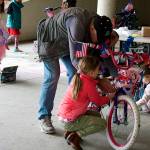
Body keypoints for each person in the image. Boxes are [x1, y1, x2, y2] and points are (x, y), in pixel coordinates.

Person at [37, 6, 118, 134]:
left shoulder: (98, 23)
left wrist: (115, 76)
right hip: (49, 41)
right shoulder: (77, 22)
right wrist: (97, 79)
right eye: (98, 37)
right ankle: (44, 116)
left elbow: (103, 54)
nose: (98, 41)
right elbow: (77, 60)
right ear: (92, 28)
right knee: (53, 76)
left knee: (76, 74)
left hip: (66, 44)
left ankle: (73, 114)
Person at [57, 56, 115, 150]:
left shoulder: (79, 77)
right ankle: (75, 137)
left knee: (96, 115)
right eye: (97, 70)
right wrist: (109, 97)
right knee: (102, 124)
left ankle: (69, 131)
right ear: (91, 72)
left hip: (64, 115)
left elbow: (93, 82)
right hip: (70, 119)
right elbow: (98, 102)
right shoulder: (88, 85)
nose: (99, 72)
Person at [38, 0, 77, 134]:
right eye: (64, 2)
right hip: (49, 47)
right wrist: (51, 16)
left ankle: (69, 108)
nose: (65, 5)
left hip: (64, 48)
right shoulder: (56, 18)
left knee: (74, 72)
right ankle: (44, 116)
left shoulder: (74, 15)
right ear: (63, 4)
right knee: (52, 76)